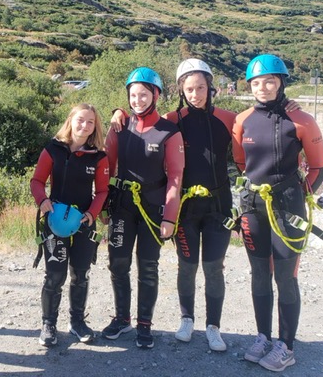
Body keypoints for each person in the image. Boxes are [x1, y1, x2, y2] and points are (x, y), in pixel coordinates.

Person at [112, 59, 234, 351]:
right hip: (185, 209)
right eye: (189, 89)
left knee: (214, 267)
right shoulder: (171, 119)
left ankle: (213, 327)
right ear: (181, 90)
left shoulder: (230, 118)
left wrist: (288, 106)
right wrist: (118, 111)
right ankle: (186, 319)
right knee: (186, 265)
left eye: (201, 88)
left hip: (218, 205)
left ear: (210, 87)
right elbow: (137, 124)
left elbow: (243, 156)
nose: (195, 94)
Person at [232, 54, 323, 372]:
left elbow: (319, 167)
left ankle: (286, 345)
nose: (263, 87)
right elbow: (242, 163)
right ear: (250, 86)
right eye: (256, 82)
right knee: (260, 274)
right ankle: (263, 337)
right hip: (253, 205)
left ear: (281, 82)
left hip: (288, 206)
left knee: (286, 277)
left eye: (270, 81)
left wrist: (297, 192)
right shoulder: (242, 120)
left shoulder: (301, 120)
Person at [102, 67, 184, 349]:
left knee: (148, 266)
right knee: (118, 263)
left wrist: (170, 217)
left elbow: (175, 177)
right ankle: (122, 319)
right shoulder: (119, 127)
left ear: (156, 95)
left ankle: (145, 324)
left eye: (144, 94)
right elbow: (106, 169)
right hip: (122, 205)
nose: (137, 100)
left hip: (153, 207)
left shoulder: (169, 132)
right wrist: (102, 206)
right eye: (133, 95)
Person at [30, 103, 110, 347]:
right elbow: (36, 181)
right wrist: (42, 200)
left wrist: (92, 214)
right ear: (71, 120)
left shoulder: (98, 156)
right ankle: (48, 325)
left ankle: (77, 322)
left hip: (84, 224)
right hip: (55, 222)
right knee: (55, 275)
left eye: (90, 122)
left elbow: (103, 191)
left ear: (95, 127)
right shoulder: (53, 150)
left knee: (81, 274)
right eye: (81, 120)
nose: (84, 125)